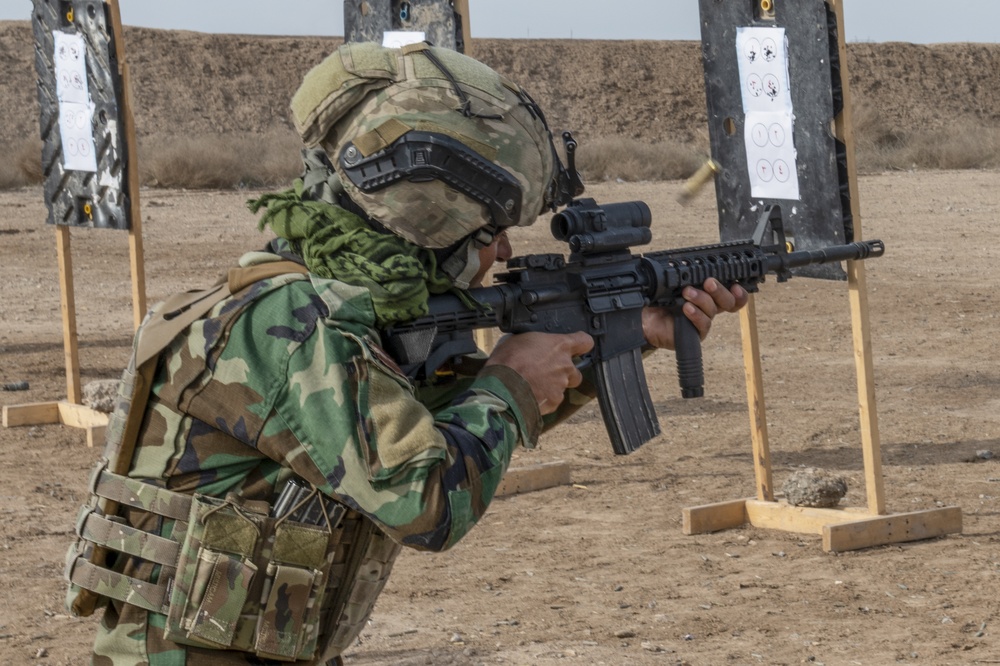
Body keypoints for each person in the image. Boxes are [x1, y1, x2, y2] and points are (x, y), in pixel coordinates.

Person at [65, 42, 747, 665]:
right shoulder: (291, 327)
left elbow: (438, 421)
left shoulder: (348, 319)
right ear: (427, 223)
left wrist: (618, 340)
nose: (504, 253)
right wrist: (509, 381)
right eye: (489, 232)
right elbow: (425, 498)